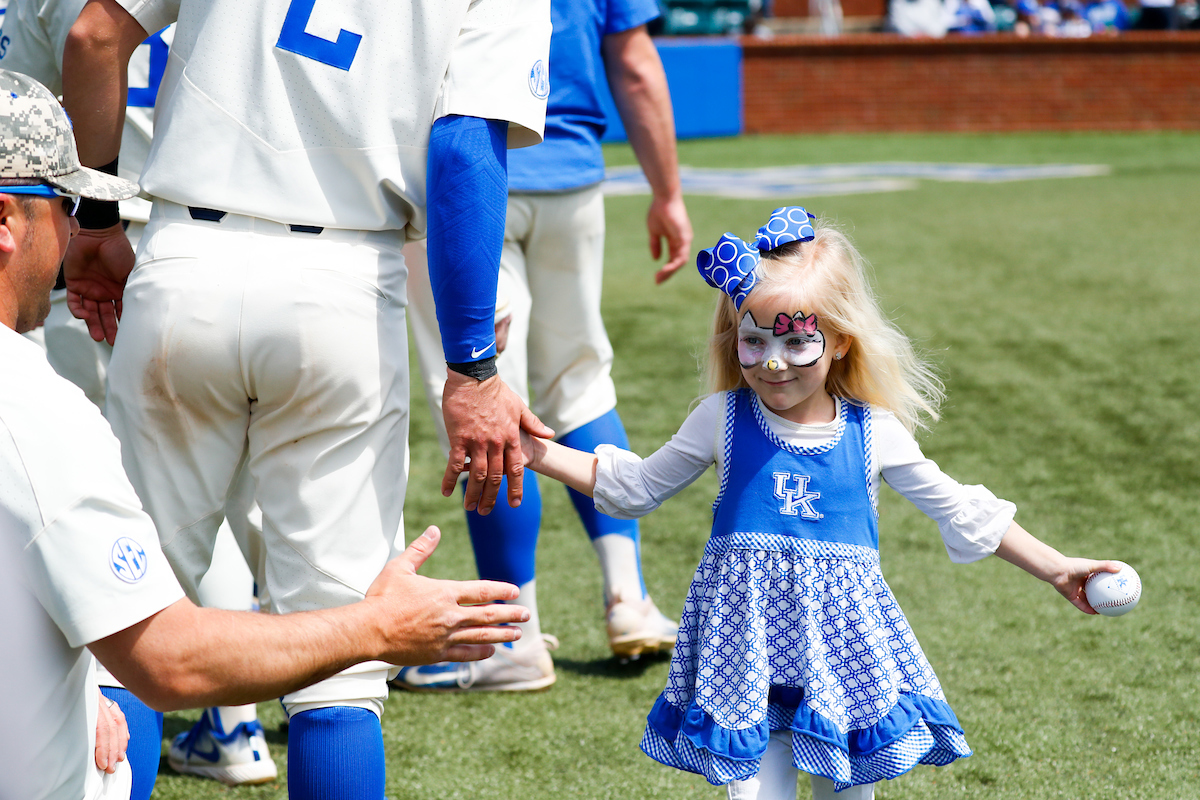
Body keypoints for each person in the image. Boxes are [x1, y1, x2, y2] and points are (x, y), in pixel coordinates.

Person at [60, 1, 551, 797]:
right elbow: (465, 147)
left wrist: (95, 219)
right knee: (340, 669)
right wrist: (472, 368)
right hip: (346, 285)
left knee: (133, 625)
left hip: (184, 258)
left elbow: (94, 35)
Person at [513, 206, 1126, 800]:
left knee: (846, 791)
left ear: (840, 343)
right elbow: (634, 487)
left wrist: (1058, 567)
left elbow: (962, 509)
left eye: (797, 343)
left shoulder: (874, 432)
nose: (772, 363)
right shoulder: (719, 419)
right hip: (743, 643)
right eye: (752, 343)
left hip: (844, 652)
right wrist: (534, 452)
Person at [0, 5, 274, 790]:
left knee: (140, 505)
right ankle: (235, 725)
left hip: (90, 233)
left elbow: (81, 47)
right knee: (176, 503)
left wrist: (86, 222)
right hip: (203, 237)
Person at [396, 0, 693, 693]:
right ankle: (629, 597)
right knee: (582, 380)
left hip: (464, 173)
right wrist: (668, 192)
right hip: (572, 176)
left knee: (484, 395)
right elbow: (637, 63)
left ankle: (513, 638)